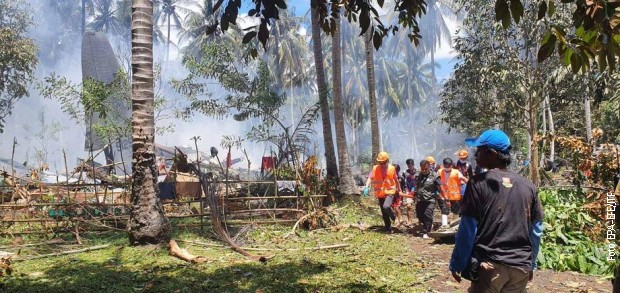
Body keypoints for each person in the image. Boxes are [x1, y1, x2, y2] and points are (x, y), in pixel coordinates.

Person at [449, 129, 544, 292]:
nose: (476, 154)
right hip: (520, 268)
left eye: (480, 150)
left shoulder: (478, 183)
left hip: (491, 266)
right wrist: (531, 264)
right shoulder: (528, 186)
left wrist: (458, 262)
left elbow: (468, 229)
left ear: (491, 153)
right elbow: (536, 230)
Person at [364, 151, 401, 232]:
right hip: (380, 193)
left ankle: (394, 217)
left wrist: (399, 190)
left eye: (384, 162)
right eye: (380, 162)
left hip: (390, 192)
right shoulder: (375, 168)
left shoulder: (392, 168)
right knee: (384, 213)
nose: (382, 164)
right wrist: (366, 187)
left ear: (387, 161)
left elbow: (396, 180)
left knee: (386, 206)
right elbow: (370, 178)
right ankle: (388, 228)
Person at [436, 158, 468, 228]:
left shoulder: (456, 172)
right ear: (443, 165)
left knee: (456, 211)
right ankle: (444, 225)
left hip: (455, 195)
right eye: (446, 166)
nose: (447, 168)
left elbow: (464, 179)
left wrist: (471, 184)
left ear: (452, 165)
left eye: (449, 166)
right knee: (444, 209)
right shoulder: (439, 171)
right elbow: (436, 182)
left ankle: (455, 225)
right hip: (443, 195)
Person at [414, 159, 439, 239]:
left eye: (426, 169)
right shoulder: (418, 175)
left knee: (427, 214)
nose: (424, 171)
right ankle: (429, 224)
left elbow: (440, 186)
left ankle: (426, 231)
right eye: (422, 169)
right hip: (420, 199)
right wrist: (415, 195)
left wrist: (444, 196)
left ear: (429, 167)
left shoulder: (435, 176)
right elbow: (416, 186)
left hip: (430, 199)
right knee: (419, 215)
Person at [402, 158, 417, 226]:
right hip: (408, 191)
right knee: (409, 206)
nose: (410, 166)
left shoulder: (418, 172)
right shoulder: (405, 173)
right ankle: (409, 220)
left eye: (411, 165)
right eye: (408, 165)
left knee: (419, 206)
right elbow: (402, 182)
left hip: (417, 191)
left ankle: (420, 221)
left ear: (413, 164)